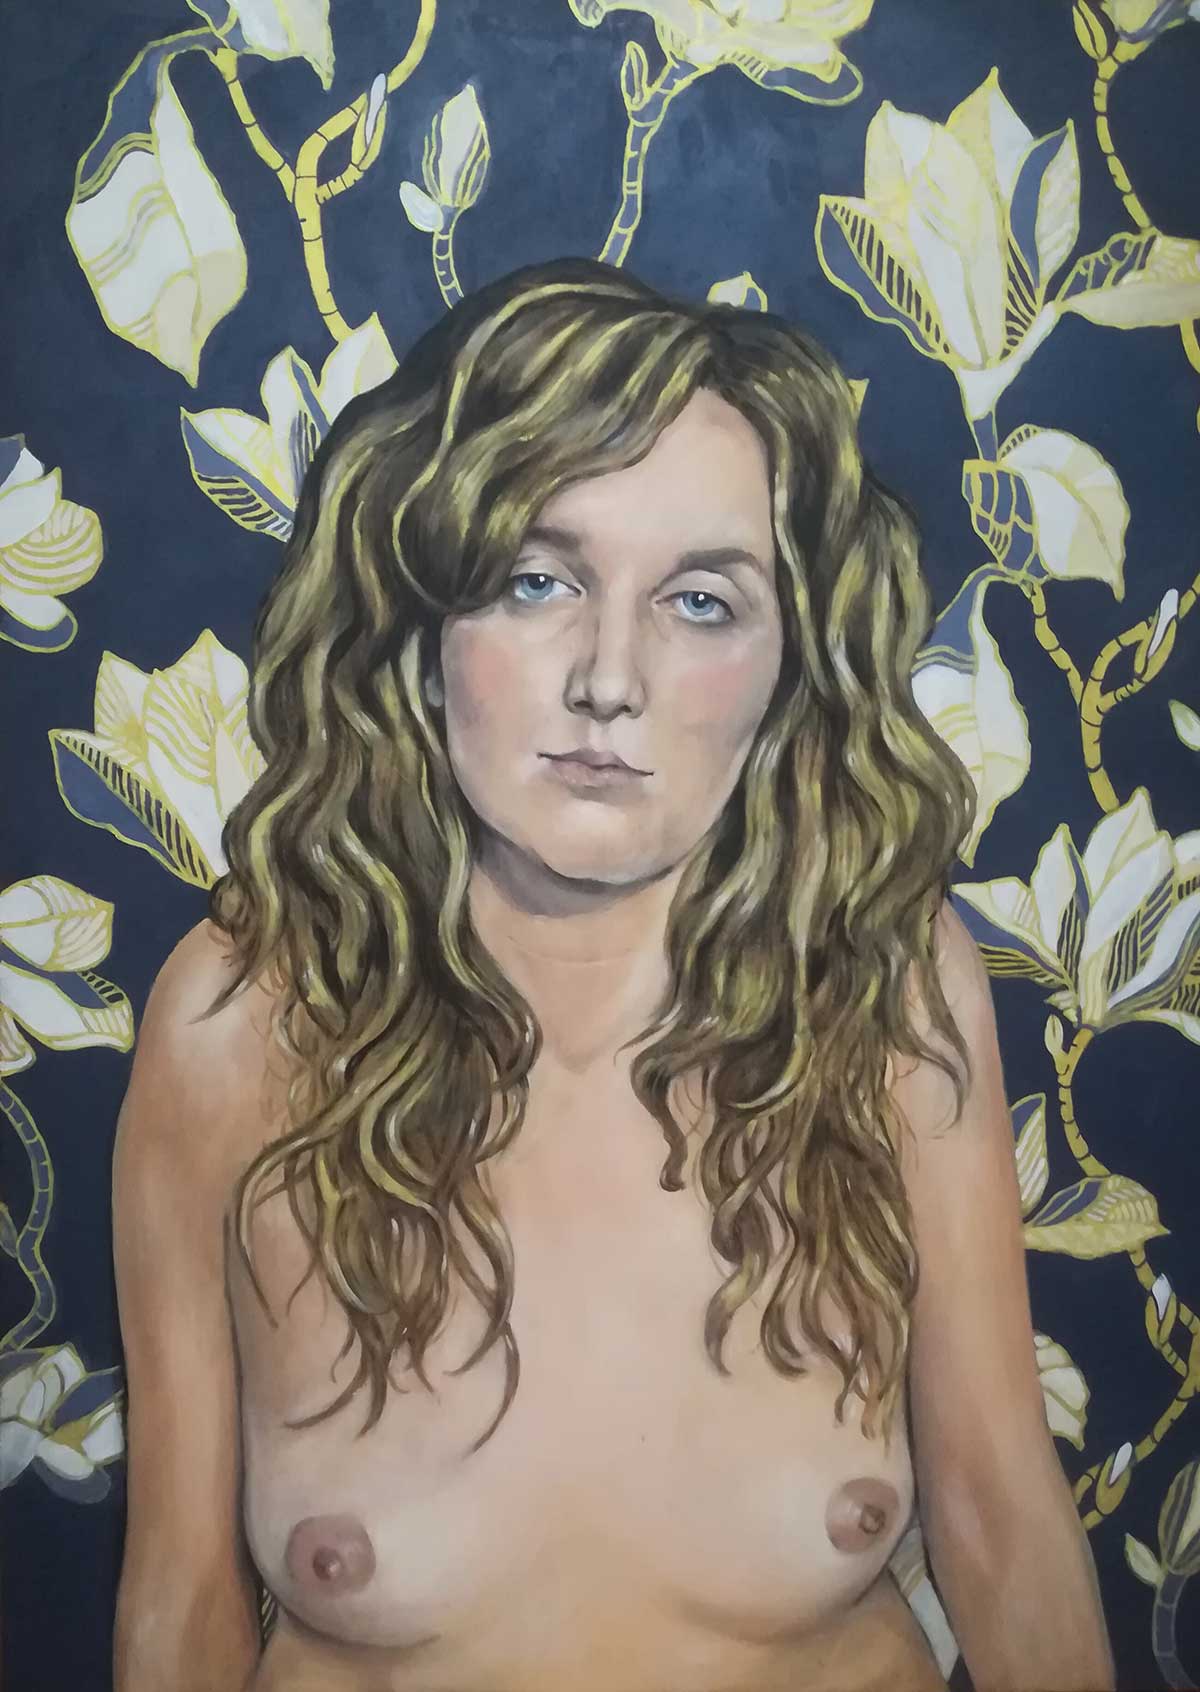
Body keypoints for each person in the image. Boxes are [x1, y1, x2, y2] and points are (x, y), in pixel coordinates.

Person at [111, 257, 1114, 1692]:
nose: (608, 679)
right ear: (420, 623)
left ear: (790, 666)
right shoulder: (242, 1019)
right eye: (536, 581)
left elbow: (1005, 1531)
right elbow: (180, 1602)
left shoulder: (883, 991)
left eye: (701, 602)